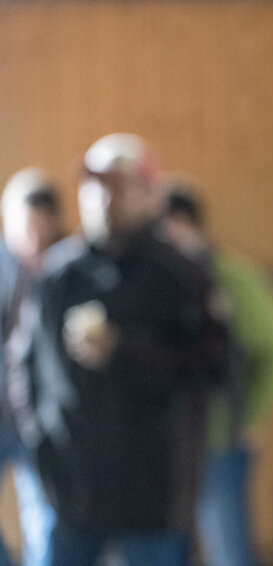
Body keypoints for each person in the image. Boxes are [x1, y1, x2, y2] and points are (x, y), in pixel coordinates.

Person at [21, 133, 229, 566]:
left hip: (151, 495)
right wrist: (42, 445)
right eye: (93, 186)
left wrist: (126, 351)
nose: (102, 198)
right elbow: (26, 365)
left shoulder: (180, 275)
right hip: (73, 490)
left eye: (117, 186)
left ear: (151, 194)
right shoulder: (60, 274)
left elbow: (216, 364)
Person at [160, 184, 273, 566]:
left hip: (218, 437)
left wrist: (251, 416)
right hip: (166, 442)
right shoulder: (158, 281)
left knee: (228, 546)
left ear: (182, 223)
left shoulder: (229, 277)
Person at [0, 169, 62, 566]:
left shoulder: (64, 268)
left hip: (40, 420)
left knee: (46, 519)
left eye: (42, 230)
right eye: (27, 230)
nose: (34, 240)